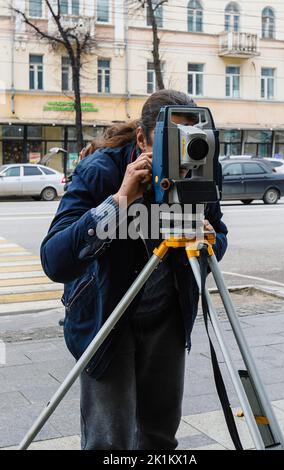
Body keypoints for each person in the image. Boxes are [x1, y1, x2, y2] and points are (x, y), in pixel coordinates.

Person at [41, 90, 228, 450]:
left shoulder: (201, 168)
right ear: (142, 139)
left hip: (167, 314)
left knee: (159, 436)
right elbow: (55, 259)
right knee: (111, 441)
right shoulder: (103, 171)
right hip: (106, 314)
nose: (184, 155)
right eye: (172, 141)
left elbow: (218, 235)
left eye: (192, 139)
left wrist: (209, 241)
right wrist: (121, 200)